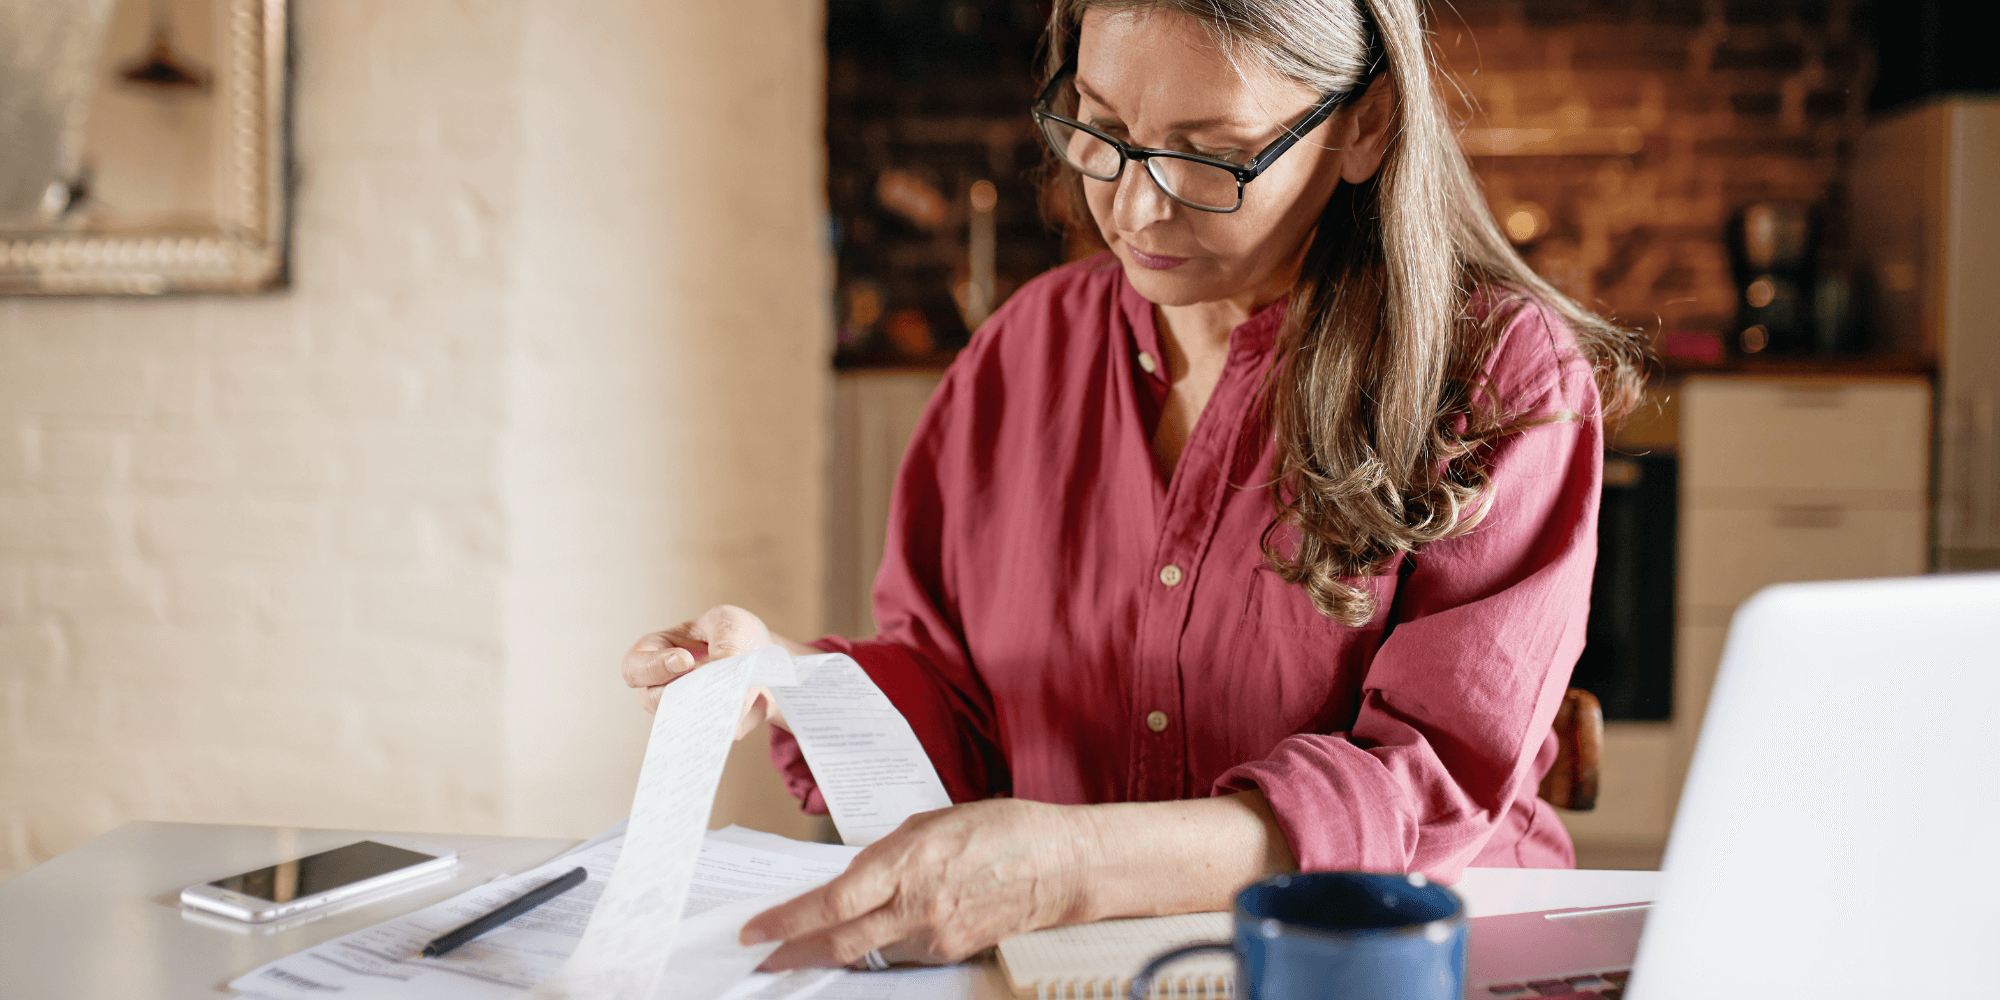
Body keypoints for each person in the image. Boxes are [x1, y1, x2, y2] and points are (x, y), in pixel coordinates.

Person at [621, 0, 1647, 971]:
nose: (1135, 204)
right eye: (1102, 129)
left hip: (1388, 961)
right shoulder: (1020, 353)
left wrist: (1066, 869)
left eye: (1208, 153)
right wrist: (790, 679)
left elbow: (1422, 787)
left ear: (1366, 125)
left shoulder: (1495, 374)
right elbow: (961, 700)